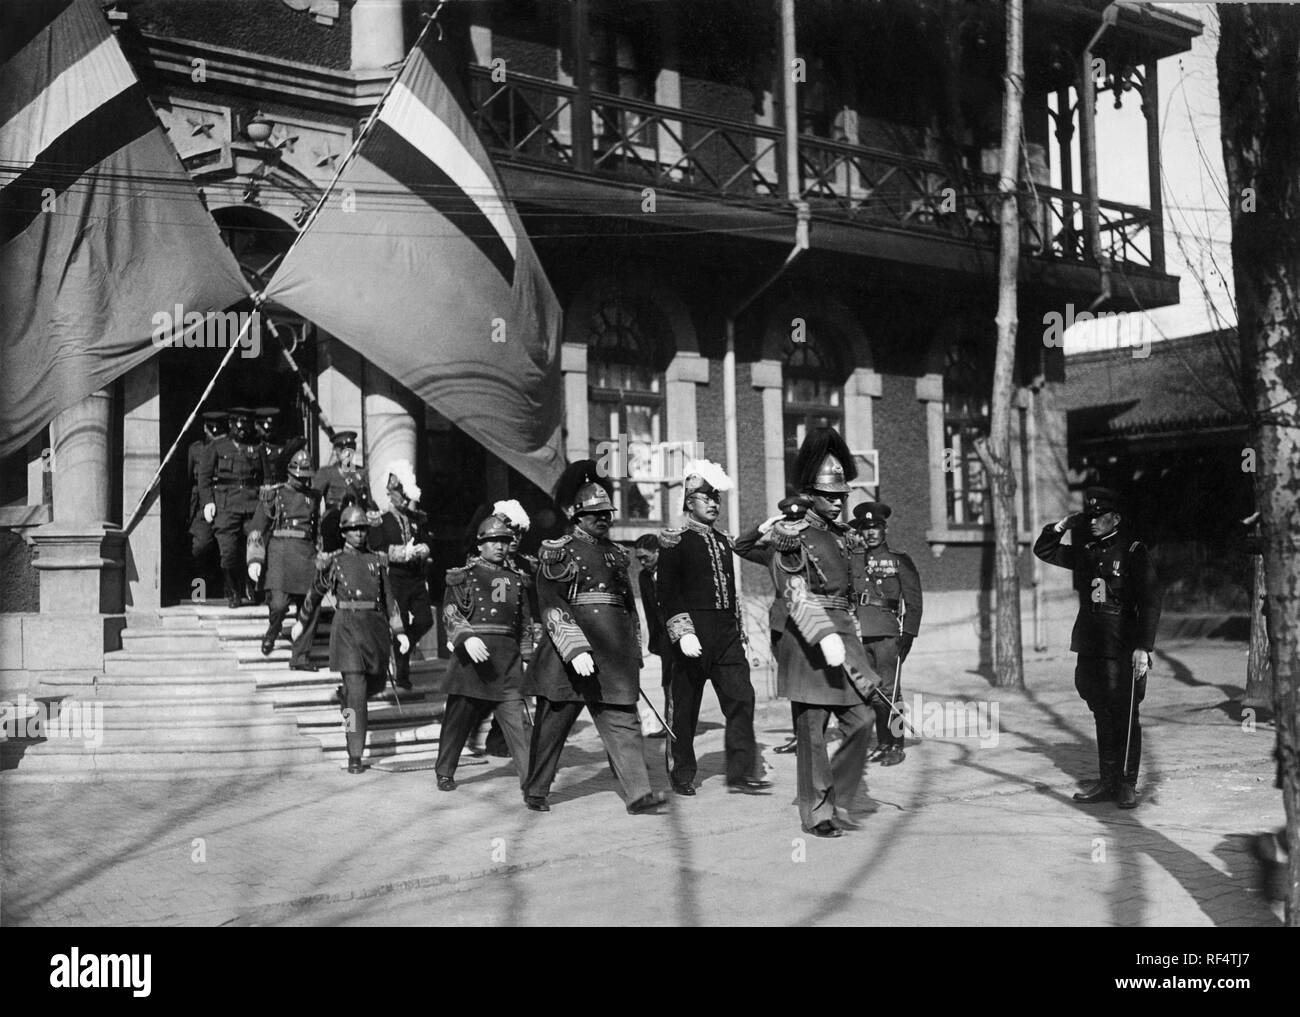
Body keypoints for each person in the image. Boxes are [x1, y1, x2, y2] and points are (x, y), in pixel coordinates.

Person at [737, 427, 880, 838]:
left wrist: (851, 637)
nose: (837, 503)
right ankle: (817, 812)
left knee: (862, 719)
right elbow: (795, 592)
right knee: (812, 729)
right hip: (807, 639)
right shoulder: (792, 534)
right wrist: (768, 527)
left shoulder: (846, 537)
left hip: (843, 638)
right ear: (810, 495)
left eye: (841, 496)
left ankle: (839, 795)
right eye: (828, 496)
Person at [521, 461, 667, 815]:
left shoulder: (617, 554)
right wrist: (574, 648)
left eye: (607, 513)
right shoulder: (559, 550)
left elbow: (626, 607)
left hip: (612, 655)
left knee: (623, 721)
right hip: (568, 655)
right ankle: (536, 790)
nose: (603, 519)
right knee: (552, 727)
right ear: (577, 514)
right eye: (595, 513)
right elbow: (551, 604)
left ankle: (638, 793)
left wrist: (633, 649)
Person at [1033, 486, 1161, 809]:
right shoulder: (1088, 551)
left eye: (1099, 516)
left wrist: (1143, 647)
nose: (1092, 522)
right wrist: (1064, 525)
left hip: (1122, 646)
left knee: (1126, 715)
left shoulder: (1133, 551)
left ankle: (1127, 783)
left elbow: (1149, 600)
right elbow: (1044, 551)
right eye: (1089, 516)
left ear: (1115, 518)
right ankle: (1107, 781)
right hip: (1090, 645)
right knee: (1101, 713)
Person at [657, 460, 770, 797]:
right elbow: (667, 593)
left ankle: (740, 771)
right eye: (706, 497)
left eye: (716, 498)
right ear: (689, 501)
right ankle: (682, 771)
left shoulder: (723, 540)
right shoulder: (674, 541)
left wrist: (738, 632)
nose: (714, 503)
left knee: (741, 698)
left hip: (725, 634)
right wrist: (683, 631)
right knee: (686, 706)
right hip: (692, 633)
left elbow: (729, 590)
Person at [297, 504, 407, 774]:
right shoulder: (334, 561)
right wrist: (301, 621)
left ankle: (345, 699)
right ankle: (354, 754)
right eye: (353, 529)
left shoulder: (376, 561)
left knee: (373, 685)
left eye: (362, 529)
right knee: (357, 698)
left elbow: (389, 600)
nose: (359, 533)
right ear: (344, 532)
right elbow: (314, 592)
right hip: (346, 630)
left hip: (374, 629)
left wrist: (399, 630)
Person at [434, 513, 533, 792]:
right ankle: (445, 771)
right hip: (472, 658)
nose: (500, 546)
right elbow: (450, 611)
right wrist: (465, 637)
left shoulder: (517, 579)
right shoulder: (463, 576)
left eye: (504, 541)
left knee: (517, 724)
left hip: (507, 661)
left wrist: (527, 655)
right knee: (458, 719)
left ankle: (532, 783)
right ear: (480, 545)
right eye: (493, 541)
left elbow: (525, 621)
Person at [735, 494, 812, 754]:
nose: (792, 527)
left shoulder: (815, 547)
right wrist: (764, 526)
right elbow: (740, 546)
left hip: (813, 620)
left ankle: (814, 736)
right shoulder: (772, 551)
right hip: (782, 622)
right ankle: (800, 735)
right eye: (787, 520)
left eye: (798, 521)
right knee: (792, 682)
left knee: (814, 680)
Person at [851, 501, 922, 767]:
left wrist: (909, 634)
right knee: (871, 692)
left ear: (885, 529)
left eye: (876, 527)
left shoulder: (899, 560)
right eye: (866, 528)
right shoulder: (854, 559)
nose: (871, 533)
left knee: (890, 692)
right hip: (859, 632)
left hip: (886, 633)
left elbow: (914, 602)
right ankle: (882, 743)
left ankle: (896, 745)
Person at [246, 449, 324, 671]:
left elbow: (317, 529)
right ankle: (273, 630)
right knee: (279, 605)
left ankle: (300, 657)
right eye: (298, 476)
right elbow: (257, 529)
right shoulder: (274, 494)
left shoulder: (314, 497)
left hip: (307, 554)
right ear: (289, 473)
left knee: (311, 607)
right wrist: (255, 559)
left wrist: (322, 555)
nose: (302, 480)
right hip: (280, 554)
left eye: (305, 476)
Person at [370, 460, 433, 691]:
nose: (404, 500)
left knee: (426, 620)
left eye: (406, 495)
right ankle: (402, 673)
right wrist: (401, 553)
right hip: (394, 578)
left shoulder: (416, 518)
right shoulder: (382, 519)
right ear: (390, 493)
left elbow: (427, 541)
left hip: (416, 578)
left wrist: (423, 549)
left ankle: (400, 651)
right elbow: (377, 549)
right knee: (402, 624)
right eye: (400, 495)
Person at [197, 406, 269, 608]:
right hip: (226, 506)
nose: (244, 431)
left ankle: (254, 587)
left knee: (258, 545)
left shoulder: (258, 447)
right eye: (240, 426)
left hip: (253, 506)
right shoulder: (217, 447)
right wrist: (208, 502)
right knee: (226, 552)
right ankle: (230, 591)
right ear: (230, 425)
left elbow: (267, 477)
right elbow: (203, 479)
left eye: (247, 426)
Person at [314, 431, 379, 552]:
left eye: (351, 449)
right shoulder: (326, 473)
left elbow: (368, 504)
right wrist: (316, 529)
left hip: (355, 524)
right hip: (333, 525)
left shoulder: (361, 473)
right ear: (336, 452)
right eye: (343, 450)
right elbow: (314, 501)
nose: (347, 454)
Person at [633, 533, 669, 738]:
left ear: (658, 552)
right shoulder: (644, 577)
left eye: (646, 557)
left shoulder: (673, 571)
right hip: (664, 640)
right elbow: (649, 610)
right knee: (668, 683)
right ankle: (670, 725)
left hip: (684, 638)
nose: (642, 561)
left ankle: (679, 727)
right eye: (639, 558)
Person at [187, 410, 226, 583]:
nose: (214, 433)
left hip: (226, 500)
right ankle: (199, 594)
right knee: (200, 548)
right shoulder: (195, 449)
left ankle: (232, 592)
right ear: (205, 428)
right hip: (202, 503)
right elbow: (189, 478)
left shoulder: (229, 448)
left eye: (218, 429)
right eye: (211, 429)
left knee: (229, 548)